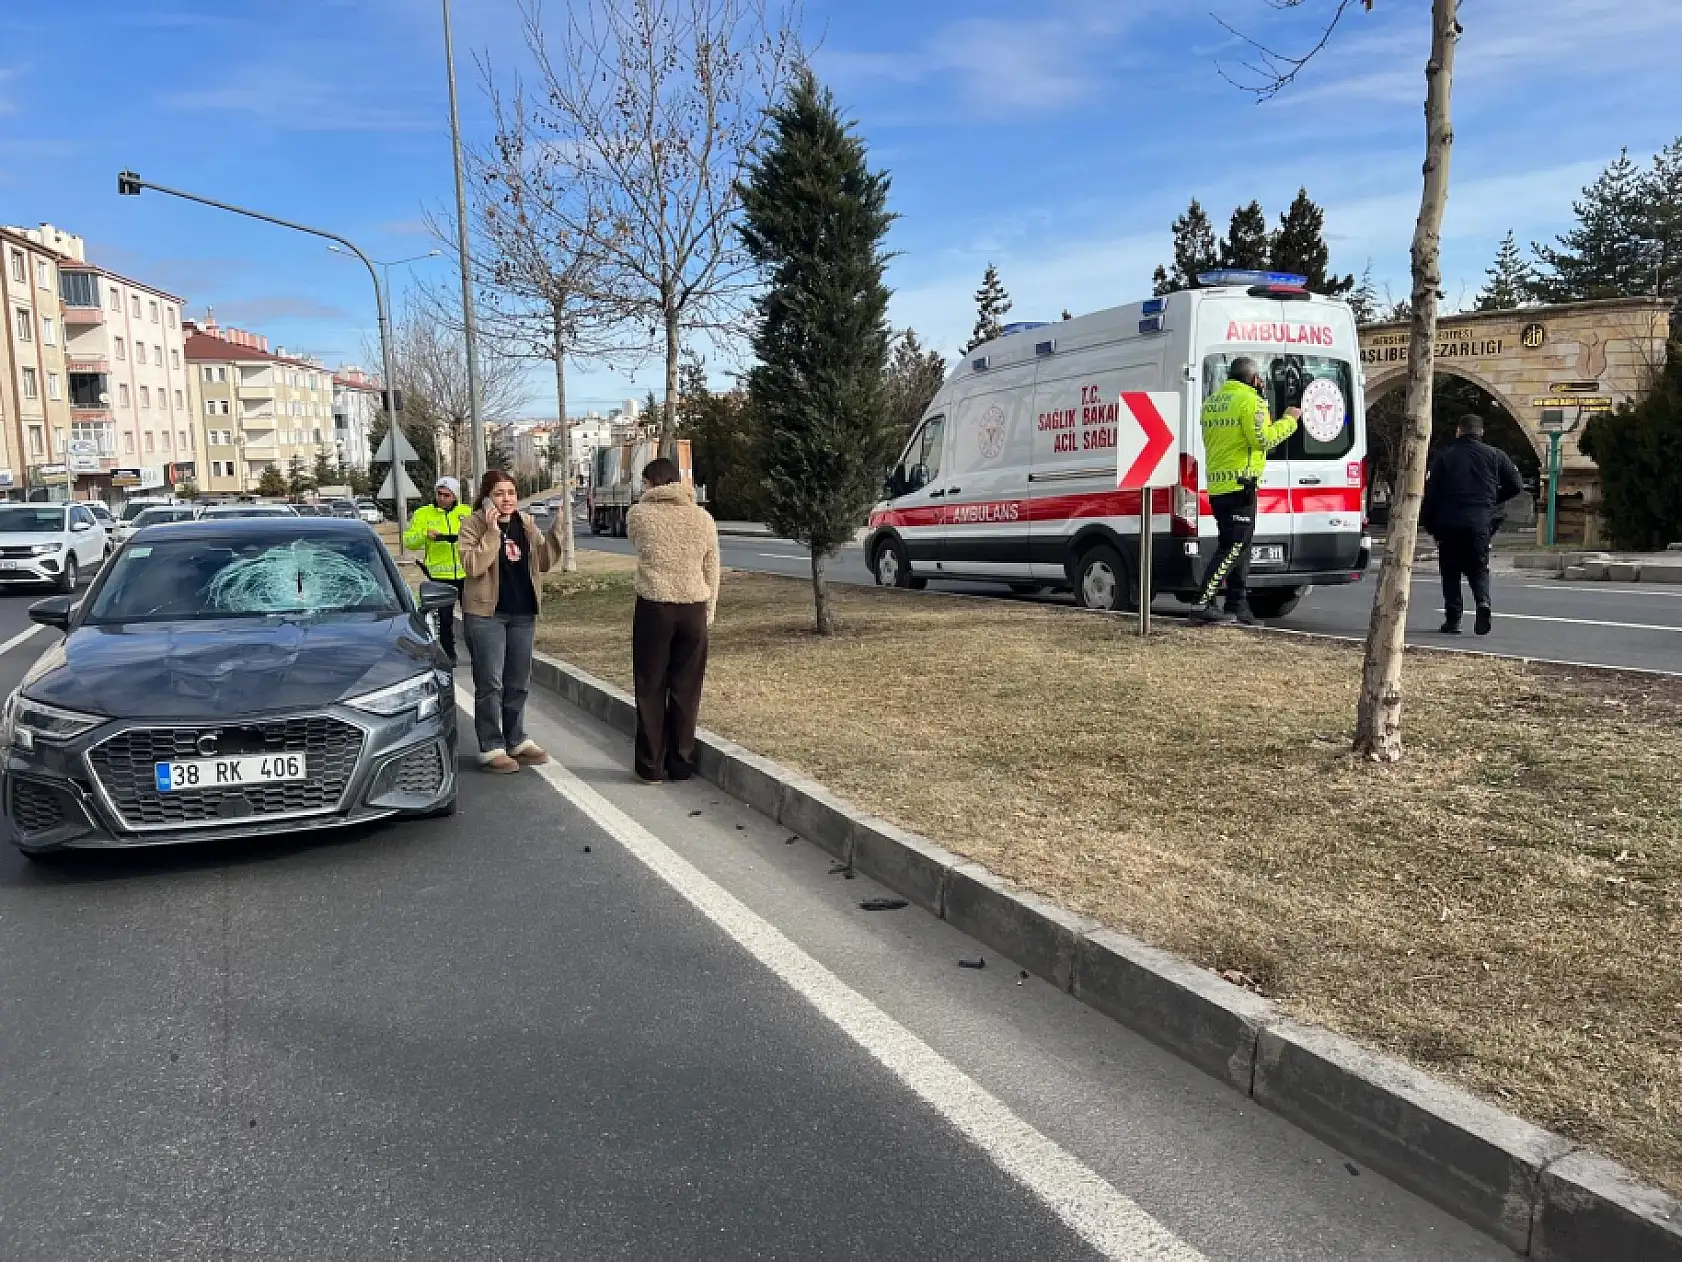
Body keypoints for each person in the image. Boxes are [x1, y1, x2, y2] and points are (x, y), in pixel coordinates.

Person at [458, 470, 567, 773]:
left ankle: (516, 738)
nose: (507, 499)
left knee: (518, 681)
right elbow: (472, 566)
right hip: (485, 614)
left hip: (522, 613)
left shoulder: (526, 523)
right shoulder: (473, 525)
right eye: (499, 493)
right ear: (486, 497)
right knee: (490, 682)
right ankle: (491, 745)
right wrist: (492, 534)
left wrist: (556, 531)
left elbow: (543, 563)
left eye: (511, 493)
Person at [626, 458, 720, 785]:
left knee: (651, 686)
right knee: (686, 688)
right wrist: (708, 610)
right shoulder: (703, 518)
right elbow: (713, 568)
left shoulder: (639, 515)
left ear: (651, 482)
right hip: (693, 607)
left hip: (655, 605)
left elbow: (636, 545)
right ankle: (681, 763)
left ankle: (651, 766)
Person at [1193, 357, 1300, 624]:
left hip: (1219, 486)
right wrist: (1289, 420)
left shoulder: (1212, 403)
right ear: (1254, 379)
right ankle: (1203, 602)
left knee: (1240, 547)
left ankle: (1236, 605)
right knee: (1234, 546)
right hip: (1241, 485)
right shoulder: (1251, 401)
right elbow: (1263, 439)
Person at [1421, 414, 1523, 636]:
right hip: (1480, 522)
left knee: (1450, 572)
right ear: (1481, 433)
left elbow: (1431, 495)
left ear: (1459, 431)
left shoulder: (1444, 458)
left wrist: (1428, 523)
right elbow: (1516, 484)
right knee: (1478, 568)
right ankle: (1483, 603)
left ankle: (1453, 620)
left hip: (1449, 522)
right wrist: (1492, 500)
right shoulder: (1496, 455)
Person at [403, 476, 470, 665]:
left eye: (447, 495)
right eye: (439, 494)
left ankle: (477, 653)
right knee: (445, 619)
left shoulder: (466, 512)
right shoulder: (423, 514)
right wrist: (425, 535)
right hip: (440, 575)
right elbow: (409, 541)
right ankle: (449, 654)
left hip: (467, 574)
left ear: (455, 496)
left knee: (473, 619)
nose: (442, 498)